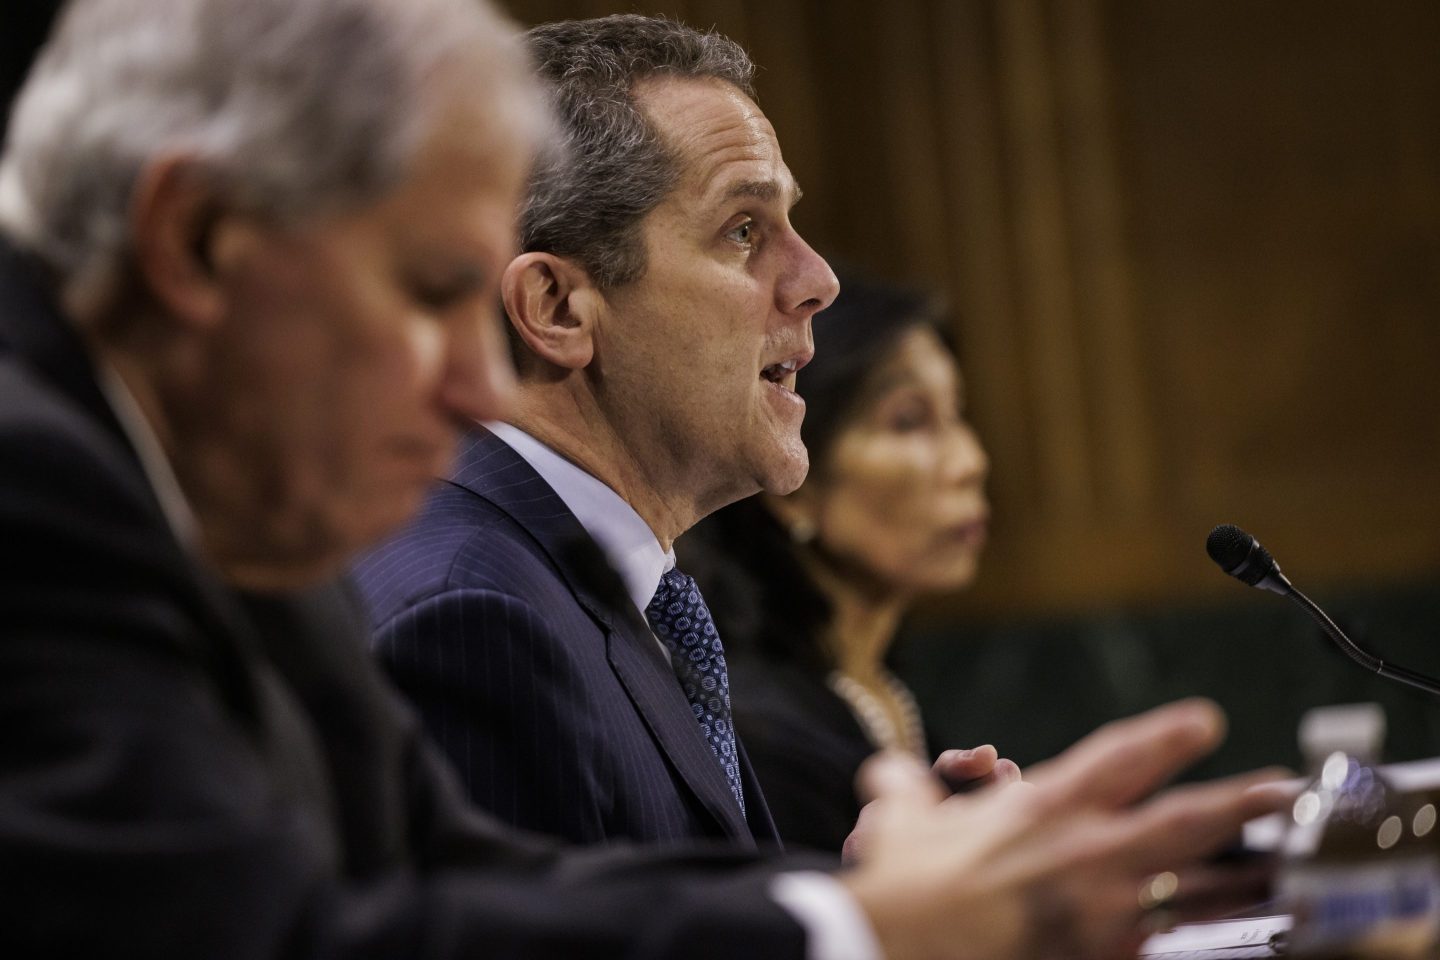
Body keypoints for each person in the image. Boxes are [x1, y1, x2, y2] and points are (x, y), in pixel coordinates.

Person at [0, 1, 1286, 957]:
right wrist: (868, 932)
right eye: (434, 292)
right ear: (198, 242)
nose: (476, 386)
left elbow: (452, 877)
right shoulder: (34, 496)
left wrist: (884, 901)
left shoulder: (225, 505)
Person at [355, 12, 1008, 852]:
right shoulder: (474, 619)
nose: (818, 279)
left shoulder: (595, 587)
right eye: (744, 230)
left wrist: (881, 896)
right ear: (557, 308)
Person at [681, 272, 997, 852]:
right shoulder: (761, 737)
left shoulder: (882, 696)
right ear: (794, 485)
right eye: (909, 420)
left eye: (957, 414)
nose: (971, 461)